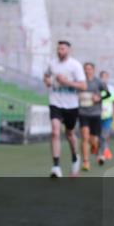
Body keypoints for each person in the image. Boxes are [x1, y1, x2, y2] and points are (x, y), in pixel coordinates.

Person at [43, 40, 87, 178]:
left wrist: (66, 82)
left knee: (69, 134)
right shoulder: (52, 63)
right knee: (55, 132)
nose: (59, 51)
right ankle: (56, 167)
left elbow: (83, 86)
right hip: (55, 102)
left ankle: (75, 157)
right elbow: (46, 76)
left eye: (62, 49)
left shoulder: (75, 65)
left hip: (71, 105)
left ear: (68, 50)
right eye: (58, 49)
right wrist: (48, 81)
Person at [78, 62, 106, 171]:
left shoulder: (99, 82)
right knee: (84, 137)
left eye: (89, 69)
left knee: (94, 139)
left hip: (95, 113)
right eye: (85, 69)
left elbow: (107, 94)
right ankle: (86, 162)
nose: (87, 71)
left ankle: (95, 147)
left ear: (93, 70)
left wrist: (99, 97)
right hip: (83, 113)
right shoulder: (80, 82)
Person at [98, 70, 114, 162]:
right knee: (98, 136)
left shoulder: (111, 88)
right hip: (96, 115)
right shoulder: (96, 87)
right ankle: (103, 150)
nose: (104, 79)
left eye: (106, 77)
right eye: (102, 77)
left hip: (107, 115)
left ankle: (103, 153)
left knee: (104, 134)